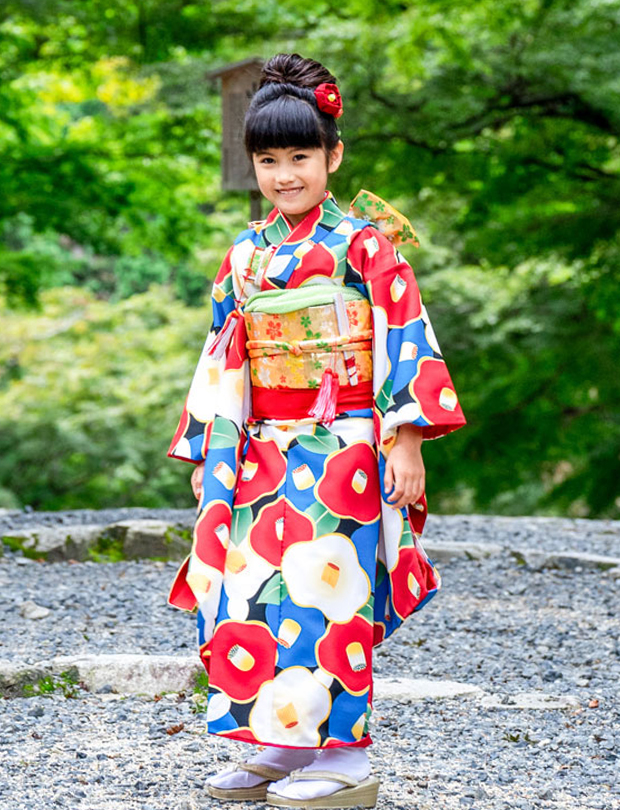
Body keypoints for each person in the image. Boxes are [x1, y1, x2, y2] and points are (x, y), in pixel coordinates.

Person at [166, 53, 466, 809]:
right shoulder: (247, 252)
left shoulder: (367, 244)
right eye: (269, 160)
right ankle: (279, 743)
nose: (285, 175)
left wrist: (404, 441)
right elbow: (222, 354)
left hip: (347, 446)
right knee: (254, 593)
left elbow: (404, 332)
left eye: (301, 156)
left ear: (333, 155)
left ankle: (348, 757)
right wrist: (211, 447)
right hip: (262, 444)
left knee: (330, 597)